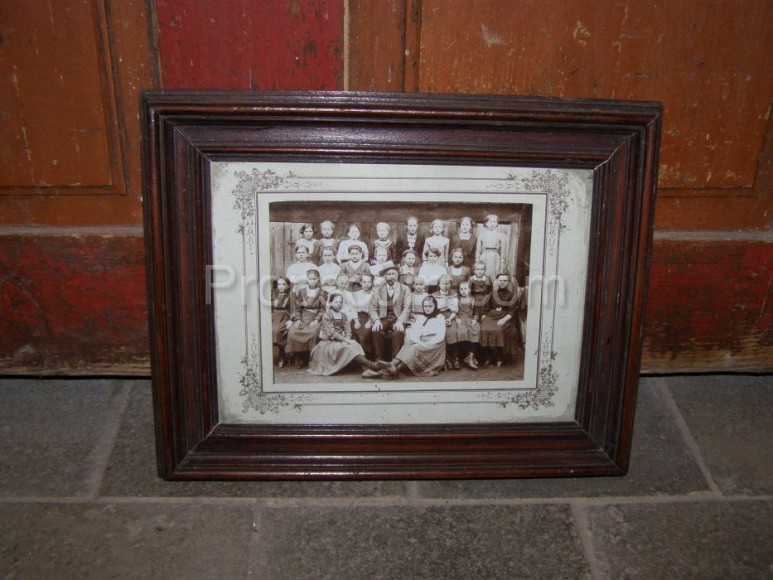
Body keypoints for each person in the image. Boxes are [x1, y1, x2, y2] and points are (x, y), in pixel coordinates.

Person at [308, 291, 384, 378]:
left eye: (340, 302)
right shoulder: (326, 315)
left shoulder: (343, 315)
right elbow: (332, 332)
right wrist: (346, 341)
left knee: (355, 344)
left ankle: (367, 371)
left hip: (340, 341)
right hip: (328, 343)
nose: (339, 304)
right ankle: (373, 365)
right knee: (348, 347)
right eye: (336, 302)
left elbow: (348, 330)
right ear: (330, 303)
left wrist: (347, 338)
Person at [381, 295, 446, 378]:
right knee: (408, 345)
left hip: (434, 345)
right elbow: (415, 332)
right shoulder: (421, 318)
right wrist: (418, 341)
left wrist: (427, 344)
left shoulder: (439, 318)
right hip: (422, 341)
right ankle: (393, 364)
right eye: (425, 306)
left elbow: (440, 335)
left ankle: (397, 368)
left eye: (430, 306)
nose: (427, 308)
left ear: (435, 306)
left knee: (415, 348)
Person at [369, 264, 412, 362]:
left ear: (398, 276)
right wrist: (376, 320)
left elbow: (407, 308)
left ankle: (395, 361)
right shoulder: (379, 289)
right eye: (389, 274)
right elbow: (372, 308)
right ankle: (378, 360)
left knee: (399, 332)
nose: (392, 276)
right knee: (376, 330)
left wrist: (401, 321)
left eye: (394, 274)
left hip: (398, 318)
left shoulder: (405, 289)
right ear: (385, 277)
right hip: (383, 318)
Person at [285, 268, 324, 368]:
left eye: (315, 279)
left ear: (318, 279)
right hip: (303, 316)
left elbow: (323, 309)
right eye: (310, 279)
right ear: (307, 279)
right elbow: (297, 308)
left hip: (315, 317)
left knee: (313, 332)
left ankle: (311, 357)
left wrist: (316, 320)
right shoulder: (301, 291)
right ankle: (299, 357)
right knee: (293, 331)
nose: (312, 281)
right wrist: (298, 319)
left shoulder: (322, 293)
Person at [479, 272, 521, 367]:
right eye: (500, 280)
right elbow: (486, 308)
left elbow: (512, 311)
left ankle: (499, 357)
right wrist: (483, 315)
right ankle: (489, 356)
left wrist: (504, 320)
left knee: (498, 330)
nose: (502, 282)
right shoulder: (492, 293)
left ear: (508, 282)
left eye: (505, 280)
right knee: (483, 329)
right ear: (497, 281)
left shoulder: (512, 295)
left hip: (504, 316)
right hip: (491, 316)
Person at [433, 274, 460, 369]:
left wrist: (450, 318)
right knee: (442, 333)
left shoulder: (453, 294)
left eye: (447, 284)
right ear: (439, 284)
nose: (445, 286)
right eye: (443, 284)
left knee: (453, 332)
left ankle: (456, 358)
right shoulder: (434, 295)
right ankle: (446, 358)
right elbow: (433, 310)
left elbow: (455, 309)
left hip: (450, 316)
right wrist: (441, 319)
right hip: (438, 316)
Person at [455, 280, 481, 370]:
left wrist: (475, 319)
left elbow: (477, 312)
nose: (463, 291)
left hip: (470, 319)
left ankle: (470, 356)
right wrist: (456, 318)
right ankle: (459, 357)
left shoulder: (473, 299)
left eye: (465, 289)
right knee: (461, 332)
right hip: (461, 320)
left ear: (469, 290)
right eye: (461, 289)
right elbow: (455, 311)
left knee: (475, 330)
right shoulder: (457, 299)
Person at [270, 276, 293, 368]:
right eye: (279, 284)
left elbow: (294, 309)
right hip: (273, 315)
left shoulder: (291, 295)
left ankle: (281, 355)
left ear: (288, 286)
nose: (281, 286)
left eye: (284, 284)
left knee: (277, 330)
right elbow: (270, 307)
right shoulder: (273, 294)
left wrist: (291, 320)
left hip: (285, 315)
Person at [351, 274, 375, 358]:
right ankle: (356, 356)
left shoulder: (374, 294)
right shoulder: (355, 294)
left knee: (366, 331)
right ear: (360, 282)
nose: (366, 284)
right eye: (364, 282)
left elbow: (376, 310)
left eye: (369, 282)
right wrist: (356, 320)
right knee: (355, 329)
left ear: (372, 283)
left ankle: (364, 356)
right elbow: (353, 309)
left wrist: (370, 321)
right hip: (358, 316)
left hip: (370, 317)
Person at [476, 213, 505, 282]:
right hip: (484, 257)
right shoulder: (482, 235)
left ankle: (494, 290)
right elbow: (478, 250)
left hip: (495, 258)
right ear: (486, 223)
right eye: (490, 222)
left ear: (497, 223)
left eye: (494, 222)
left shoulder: (500, 236)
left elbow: (502, 251)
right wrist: (477, 261)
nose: (492, 224)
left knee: (495, 276)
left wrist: (502, 264)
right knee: (484, 274)